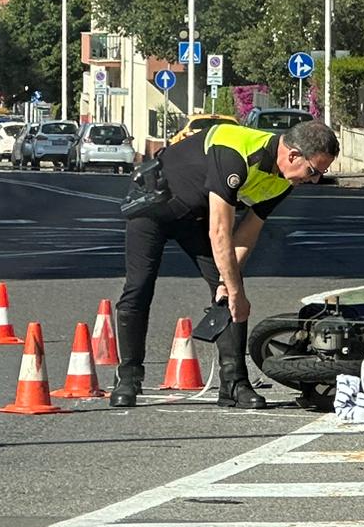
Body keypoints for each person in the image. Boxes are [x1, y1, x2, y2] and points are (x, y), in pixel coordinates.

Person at [113, 118, 340, 409]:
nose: (315, 180)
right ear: (293, 154)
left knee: (232, 292)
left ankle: (234, 383)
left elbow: (247, 233)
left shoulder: (283, 181)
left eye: (320, 174)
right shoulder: (237, 153)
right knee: (139, 287)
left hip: (196, 219)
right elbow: (220, 231)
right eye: (313, 171)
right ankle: (129, 378)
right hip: (155, 206)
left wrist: (227, 284)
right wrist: (232, 288)